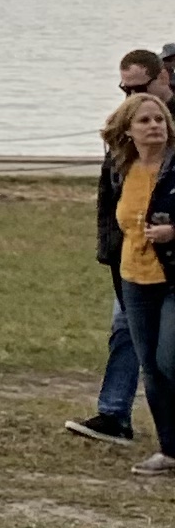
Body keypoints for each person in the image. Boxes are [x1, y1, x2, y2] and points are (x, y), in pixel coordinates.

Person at [76, 53, 171, 447]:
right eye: (124, 89)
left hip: (170, 266)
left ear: (163, 78)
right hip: (133, 265)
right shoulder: (124, 140)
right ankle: (115, 414)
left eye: (138, 88)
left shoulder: (165, 132)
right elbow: (110, 201)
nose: (130, 96)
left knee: (166, 356)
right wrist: (110, 253)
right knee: (128, 334)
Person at [95, 84, 175, 477]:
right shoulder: (120, 169)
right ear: (128, 130)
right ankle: (170, 450)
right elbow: (112, 222)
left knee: (168, 359)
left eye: (160, 119)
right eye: (144, 120)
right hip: (134, 278)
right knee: (151, 369)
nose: (154, 125)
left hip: (172, 276)